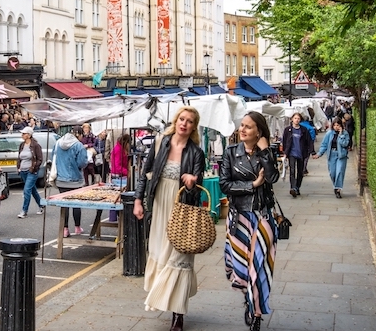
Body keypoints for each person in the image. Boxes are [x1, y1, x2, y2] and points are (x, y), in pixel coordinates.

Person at [132, 106, 206, 331]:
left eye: (190, 121)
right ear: (176, 121)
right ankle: (164, 298)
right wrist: (138, 200)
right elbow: (145, 174)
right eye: (182, 119)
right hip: (159, 205)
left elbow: (199, 185)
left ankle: (178, 315)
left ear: (194, 127)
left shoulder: (196, 153)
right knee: (161, 253)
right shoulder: (160, 142)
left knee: (180, 258)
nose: (184, 123)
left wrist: (193, 180)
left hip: (182, 209)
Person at [219, 111, 280, 331]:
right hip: (239, 218)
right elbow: (224, 185)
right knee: (241, 268)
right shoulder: (230, 152)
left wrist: (265, 150)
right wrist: (252, 185)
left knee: (260, 267)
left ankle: (256, 313)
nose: (242, 130)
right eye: (241, 125)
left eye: (248, 126)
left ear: (259, 131)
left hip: (262, 217)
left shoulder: (266, 152)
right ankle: (248, 298)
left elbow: (273, 178)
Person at [53, 126, 88, 237]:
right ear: (79, 134)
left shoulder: (58, 143)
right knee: (76, 203)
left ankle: (65, 229)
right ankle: (77, 227)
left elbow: (53, 158)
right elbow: (82, 163)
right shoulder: (79, 146)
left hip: (61, 179)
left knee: (65, 205)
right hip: (75, 179)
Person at [313, 118, 350, 198]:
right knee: (332, 173)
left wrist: (340, 135)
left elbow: (345, 144)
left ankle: (338, 189)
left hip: (341, 155)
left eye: (338, 125)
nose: (336, 127)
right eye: (335, 125)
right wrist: (319, 154)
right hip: (332, 154)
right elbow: (324, 144)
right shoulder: (329, 133)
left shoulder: (345, 133)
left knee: (339, 171)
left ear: (341, 126)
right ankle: (335, 186)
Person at [281, 112, 313, 197]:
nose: (296, 120)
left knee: (300, 172)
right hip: (291, 153)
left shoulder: (303, 130)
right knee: (292, 171)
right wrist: (285, 153)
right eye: (295, 118)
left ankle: (297, 187)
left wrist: (311, 151)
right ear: (292, 119)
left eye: (298, 118)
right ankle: (293, 188)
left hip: (301, 153)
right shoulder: (287, 130)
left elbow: (309, 141)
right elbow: (284, 141)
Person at [17, 126, 45, 218]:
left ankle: (24, 211)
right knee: (32, 190)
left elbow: (40, 159)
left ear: (29, 135)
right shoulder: (21, 145)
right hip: (23, 171)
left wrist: (34, 168)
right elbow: (19, 157)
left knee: (27, 190)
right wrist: (18, 167)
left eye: (24, 133)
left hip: (32, 171)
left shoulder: (36, 145)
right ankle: (41, 205)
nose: (22, 135)